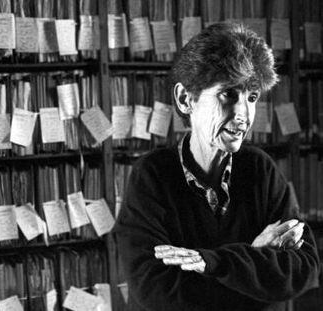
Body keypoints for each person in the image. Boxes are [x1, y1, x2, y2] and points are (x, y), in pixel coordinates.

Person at [112, 22, 320, 311]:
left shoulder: (260, 169)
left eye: (252, 97)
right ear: (186, 100)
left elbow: (304, 269)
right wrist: (255, 264)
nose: (243, 114)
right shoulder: (152, 175)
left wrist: (213, 263)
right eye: (228, 94)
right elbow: (157, 293)